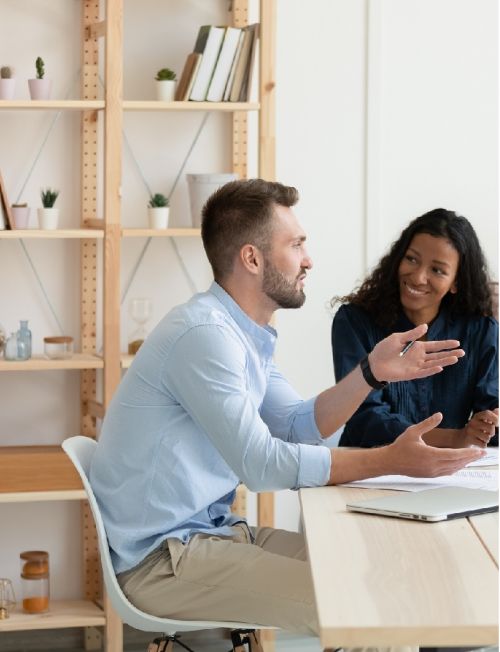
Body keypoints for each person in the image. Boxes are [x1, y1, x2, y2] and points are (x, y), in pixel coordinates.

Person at [90, 182, 483, 637]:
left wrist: (371, 373)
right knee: (370, 603)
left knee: (386, 575)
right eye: (296, 244)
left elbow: (298, 427)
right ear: (253, 259)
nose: (308, 259)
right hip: (163, 560)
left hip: (215, 535)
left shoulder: (243, 336)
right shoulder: (205, 337)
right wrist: (390, 459)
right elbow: (262, 465)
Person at [331, 208, 498, 449]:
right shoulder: (354, 321)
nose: (418, 277)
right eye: (411, 259)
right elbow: (365, 419)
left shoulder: (481, 330)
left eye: (437, 270)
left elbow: (490, 414)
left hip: (448, 476)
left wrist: (488, 424)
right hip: (369, 470)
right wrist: (456, 438)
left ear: (456, 282)